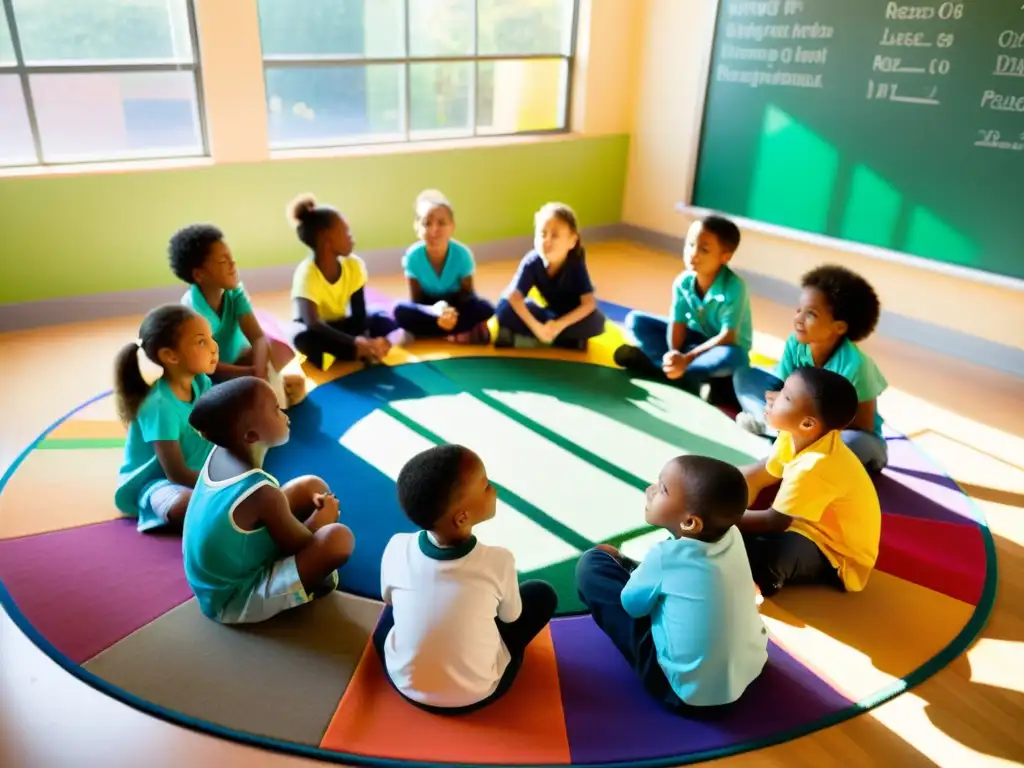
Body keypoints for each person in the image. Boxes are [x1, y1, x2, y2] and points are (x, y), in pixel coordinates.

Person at [374, 444, 558, 714]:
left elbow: (387, 599)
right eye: (486, 485)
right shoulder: (499, 560)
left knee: (399, 611)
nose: (493, 488)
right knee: (541, 595)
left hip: (405, 685)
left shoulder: (396, 546)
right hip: (479, 693)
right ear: (462, 518)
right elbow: (510, 617)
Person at [576, 455, 768, 711]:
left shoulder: (664, 557)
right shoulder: (732, 535)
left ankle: (613, 562)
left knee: (591, 566)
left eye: (662, 489)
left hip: (684, 694)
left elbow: (632, 607)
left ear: (690, 522)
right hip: (750, 671)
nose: (650, 490)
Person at [182, 376, 355, 624]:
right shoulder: (262, 493)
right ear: (252, 436)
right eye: (275, 409)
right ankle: (304, 587)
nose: (284, 412)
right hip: (233, 599)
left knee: (311, 486)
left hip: (216, 580)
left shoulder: (221, 450)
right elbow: (301, 544)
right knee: (337, 540)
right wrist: (323, 519)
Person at [739, 367, 881, 598]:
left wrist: (720, 519)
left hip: (836, 554)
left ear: (807, 423)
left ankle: (767, 580)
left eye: (785, 396)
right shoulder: (794, 436)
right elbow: (758, 477)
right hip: (804, 522)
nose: (770, 396)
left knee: (776, 552)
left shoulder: (815, 465)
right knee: (737, 522)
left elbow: (774, 521)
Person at [733, 264, 888, 472]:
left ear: (839, 327)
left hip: (842, 434)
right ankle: (784, 434)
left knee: (848, 445)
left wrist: (801, 418)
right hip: (802, 423)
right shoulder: (795, 343)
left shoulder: (857, 366)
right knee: (745, 378)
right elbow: (782, 387)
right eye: (799, 310)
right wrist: (780, 403)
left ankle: (780, 434)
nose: (798, 319)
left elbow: (864, 425)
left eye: (811, 314)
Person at [614, 215, 752, 399]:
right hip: (691, 342)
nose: (693, 254)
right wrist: (674, 354)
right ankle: (683, 376)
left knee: (737, 357)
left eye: (704, 249)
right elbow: (677, 322)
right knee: (636, 321)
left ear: (725, 257)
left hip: (721, 347)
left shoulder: (735, 287)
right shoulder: (683, 282)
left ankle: (658, 369)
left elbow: (727, 336)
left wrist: (686, 359)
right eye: (690, 244)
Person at [169, 223, 306, 407]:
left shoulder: (234, 292)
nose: (233, 265)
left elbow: (257, 337)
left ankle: (273, 398)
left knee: (276, 359)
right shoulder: (193, 312)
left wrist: (258, 372)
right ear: (199, 275)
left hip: (243, 358)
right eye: (223, 261)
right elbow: (209, 366)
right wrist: (248, 373)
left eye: (231, 258)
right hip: (213, 374)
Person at [113, 304, 218, 532]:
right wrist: (222, 486)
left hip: (199, 473)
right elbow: (176, 473)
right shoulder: (159, 406)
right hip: (157, 484)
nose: (214, 347)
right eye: (202, 342)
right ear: (170, 356)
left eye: (211, 338)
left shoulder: (202, 383)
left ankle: (217, 507)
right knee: (184, 505)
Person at [286, 194, 403, 369]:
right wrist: (356, 342)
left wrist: (364, 340)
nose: (351, 238)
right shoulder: (307, 274)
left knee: (379, 316)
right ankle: (350, 352)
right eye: (346, 232)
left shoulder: (354, 265)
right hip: (318, 330)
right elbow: (312, 323)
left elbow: (359, 313)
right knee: (299, 337)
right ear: (327, 239)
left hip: (341, 325)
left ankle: (340, 354)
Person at [493, 202, 606, 350]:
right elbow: (514, 297)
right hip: (545, 316)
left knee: (597, 321)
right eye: (542, 234)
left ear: (572, 241)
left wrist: (559, 325)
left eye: (555, 235)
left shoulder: (575, 261)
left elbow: (589, 303)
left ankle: (540, 338)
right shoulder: (532, 261)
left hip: (568, 316)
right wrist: (537, 327)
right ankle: (563, 340)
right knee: (503, 307)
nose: (546, 241)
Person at [392, 189, 495, 344]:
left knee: (485, 308)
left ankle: (435, 333)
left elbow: (468, 295)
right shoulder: (413, 256)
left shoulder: (462, 255)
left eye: (441, 223)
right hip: (430, 309)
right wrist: (435, 312)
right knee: (399, 310)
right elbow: (416, 300)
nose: (434, 230)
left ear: (452, 226)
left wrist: (450, 314)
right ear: (417, 227)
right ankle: (457, 333)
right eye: (427, 223)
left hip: (456, 307)